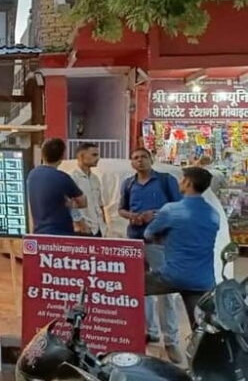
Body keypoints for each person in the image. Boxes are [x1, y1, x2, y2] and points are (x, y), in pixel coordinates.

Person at [118, 147, 183, 363]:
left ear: (151, 159)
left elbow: (179, 208)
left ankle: (171, 340)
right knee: (141, 290)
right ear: (131, 163)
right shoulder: (128, 183)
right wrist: (132, 216)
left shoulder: (165, 180)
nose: (140, 161)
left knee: (166, 294)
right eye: (135, 158)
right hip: (135, 241)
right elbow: (121, 209)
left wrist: (154, 214)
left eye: (143, 157)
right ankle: (150, 331)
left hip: (160, 242)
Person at [144, 166, 219, 344]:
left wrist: (162, 237)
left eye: (182, 179)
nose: (179, 182)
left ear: (188, 182)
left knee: (127, 289)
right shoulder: (213, 214)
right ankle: (199, 363)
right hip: (203, 280)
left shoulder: (171, 209)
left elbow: (148, 234)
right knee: (200, 329)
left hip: (172, 276)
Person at [26, 138, 87, 235]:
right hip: (61, 234)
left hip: (39, 233)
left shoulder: (32, 175)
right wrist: (71, 204)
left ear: (43, 154)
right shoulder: (62, 178)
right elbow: (83, 202)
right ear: (62, 156)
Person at [69, 143, 106, 236]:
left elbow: (99, 203)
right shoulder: (72, 178)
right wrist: (81, 225)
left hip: (99, 228)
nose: (98, 158)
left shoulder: (95, 178)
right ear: (81, 156)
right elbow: (70, 205)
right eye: (94, 155)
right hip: (83, 230)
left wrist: (104, 223)